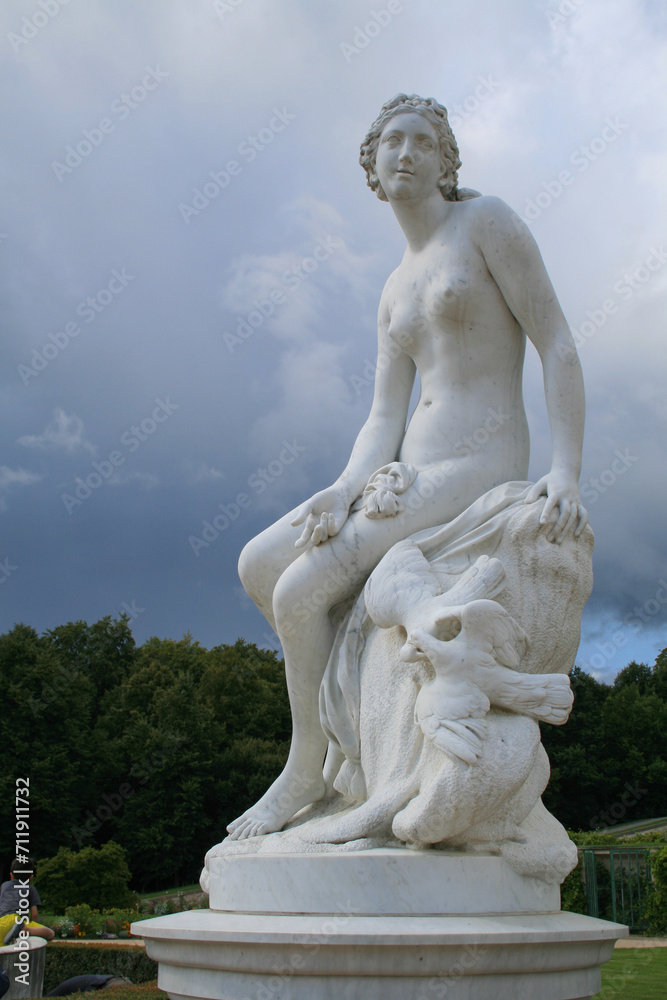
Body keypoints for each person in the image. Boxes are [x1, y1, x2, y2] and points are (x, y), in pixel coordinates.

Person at [228, 93, 587, 841]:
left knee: (300, 591)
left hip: (478, 461)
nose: (405, 153)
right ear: (371, 165)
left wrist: (565, 470)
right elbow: (383, 419)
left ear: (445, 160)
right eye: (390, 141)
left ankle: (305, 766)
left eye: (423, 141)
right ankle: (346, 722)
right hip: (406, 473)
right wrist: (343, 487)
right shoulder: (393, 286)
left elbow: (554, 339)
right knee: (259, 562)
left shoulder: (484, 223)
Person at [0, 858, 54, 944]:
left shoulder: (4, 886)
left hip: (1, 923)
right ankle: (24, 930)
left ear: (11, 875)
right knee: (50, 934)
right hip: (17, 922)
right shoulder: (30, 888)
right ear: (31, 877)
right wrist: (32, 926)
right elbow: (34, 914)